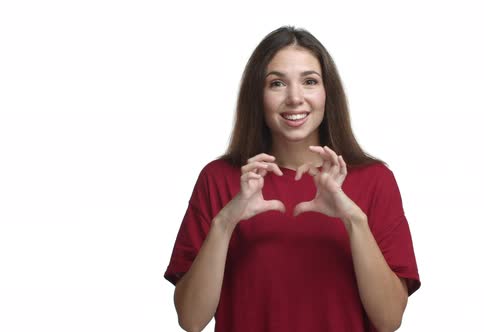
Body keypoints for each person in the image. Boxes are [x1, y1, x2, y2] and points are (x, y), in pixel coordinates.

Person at [163, 26, 421, 332]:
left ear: (328, 92)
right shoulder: (219, 179)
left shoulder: (375, 180)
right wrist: (225, 223)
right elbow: (191, 320)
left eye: (309, 81)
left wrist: (353, 219)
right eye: (276, 84)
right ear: (257, 96)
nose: (295, 98)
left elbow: (390, 320)